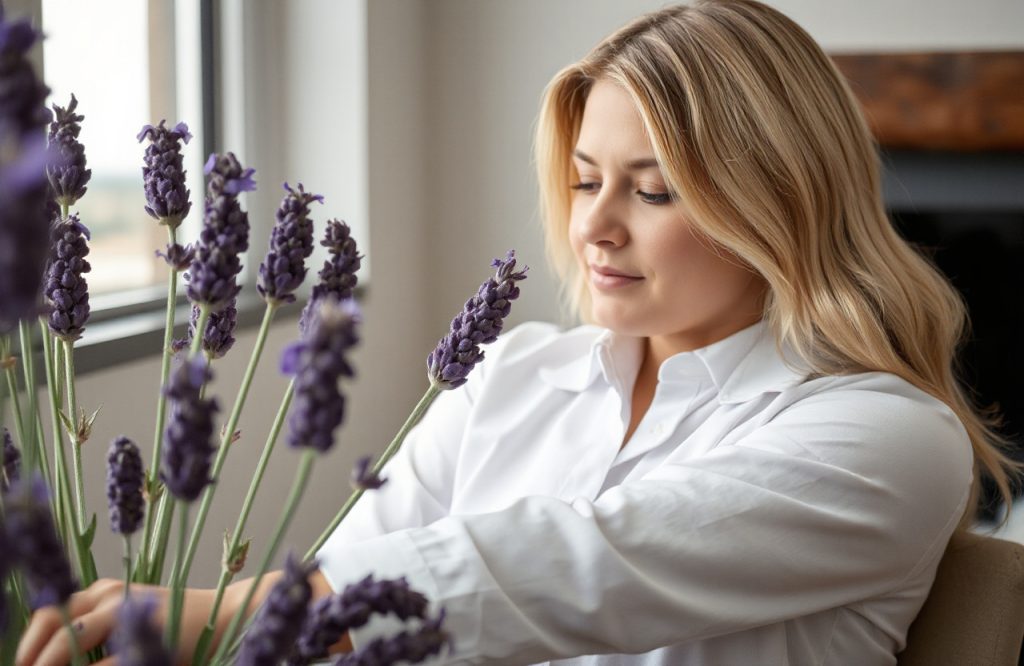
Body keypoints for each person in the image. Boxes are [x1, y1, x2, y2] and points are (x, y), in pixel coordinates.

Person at [17, 1, 1018, 664]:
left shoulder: (886, 437)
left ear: (781, 203)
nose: (591, 225)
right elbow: (347, 590)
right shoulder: (512, 371)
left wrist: (221, 610)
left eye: (653, 190)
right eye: (584, 180)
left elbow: (578, 561)